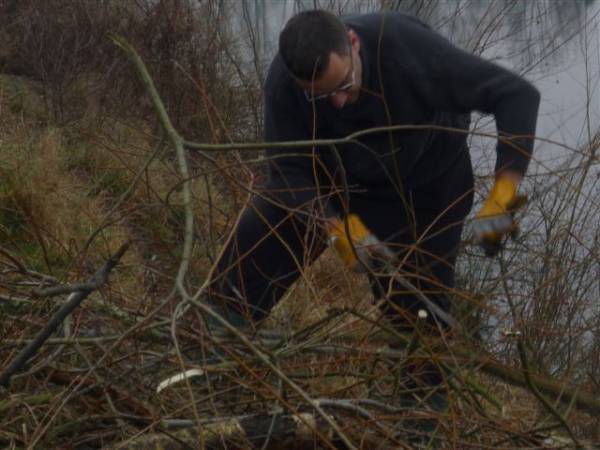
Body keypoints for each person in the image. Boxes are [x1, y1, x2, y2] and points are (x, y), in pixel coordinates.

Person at [206, 8, 539, 407]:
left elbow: (516, 95)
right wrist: (334, 228)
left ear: (354, 43)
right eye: (323, 96)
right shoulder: (286, 82)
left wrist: (504, 193)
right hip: (342, 182)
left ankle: (420, 419)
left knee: (419, 315)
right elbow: (288, 170)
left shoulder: (407, 50)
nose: (340, 103)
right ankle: (213, 352)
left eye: (345, 84)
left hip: (427, 190)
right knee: (264, 232)